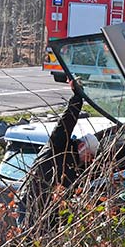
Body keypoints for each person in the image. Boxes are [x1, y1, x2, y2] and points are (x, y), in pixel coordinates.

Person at [18, 80, 99, 226]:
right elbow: (66, 123)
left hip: (50, 216)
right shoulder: (58, 146)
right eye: (89, 154)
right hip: (30, 205)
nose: (89, 159)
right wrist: (77, 99)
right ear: (81, 145)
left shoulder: (77, 169)